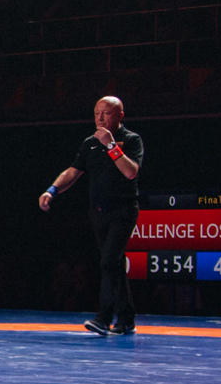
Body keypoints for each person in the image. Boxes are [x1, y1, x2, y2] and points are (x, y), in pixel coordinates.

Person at [39, 95, 146, 336]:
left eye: (106, 113)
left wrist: (111, 146)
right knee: (114, 264)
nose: (100, 118)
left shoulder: (131, 140)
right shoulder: (90, 143)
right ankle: (126, 320)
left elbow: (131, 172)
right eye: (97, 113)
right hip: (98, 212)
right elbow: (73, 172)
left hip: (123, 210)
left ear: (120, 116)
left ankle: (104, 318)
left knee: (108, 261)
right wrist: (52, 190)